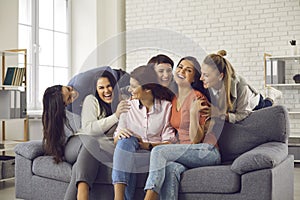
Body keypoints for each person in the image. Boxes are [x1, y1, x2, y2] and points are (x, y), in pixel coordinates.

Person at [144, 56, 221, 200]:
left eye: (188, 70)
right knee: (170, 169)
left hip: (207, 151)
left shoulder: (198, 99)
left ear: (194, 78)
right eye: (180, 67)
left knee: (159, 152)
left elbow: (196, 139)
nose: (182, 71)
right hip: (187, 153)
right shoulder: (173, 99)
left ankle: (149, 197)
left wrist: (193, 113)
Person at [112, 65, 177, 200]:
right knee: (125, 140)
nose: (130, 90)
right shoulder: (127, 105)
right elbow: (116, 139)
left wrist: (146, 144)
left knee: (128, 155)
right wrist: (121, 135)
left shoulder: (166, 107)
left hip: (153, 153)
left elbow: (169, 142)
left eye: (134, 87)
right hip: (129, 151)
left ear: (147, 88)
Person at [42, 85, 101, 200]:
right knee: (90, 142)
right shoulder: (62, 116)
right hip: (71, 148)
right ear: (64, 105)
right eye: (69, 98)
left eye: (69, 89)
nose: (73, 93)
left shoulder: (86, 93)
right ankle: (83, 195)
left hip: (86, 147)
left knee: (78, 167)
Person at [200, 50, 282, 123]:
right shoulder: (207, 84)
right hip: (236, 106)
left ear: (220, 76)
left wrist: (219, 114)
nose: (201, 78)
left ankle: (272, 95)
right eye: (202, 73)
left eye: (206, 75)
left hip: (254, 104)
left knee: (266, 106)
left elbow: (241, 115)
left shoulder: (241, 86)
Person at [80, 70, 131, 157]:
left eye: (109, 86)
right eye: (101, 88)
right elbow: (89, 129)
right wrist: (115, 116)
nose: (106, 91)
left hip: (113, 144)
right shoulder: (91, 100)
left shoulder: (122, 100)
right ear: (96, 90)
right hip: (89, 143)